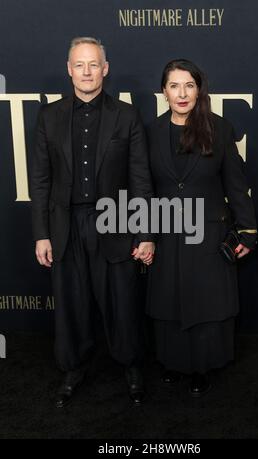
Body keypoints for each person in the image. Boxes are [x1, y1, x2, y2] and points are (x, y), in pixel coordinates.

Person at [30, 37, 154, 407]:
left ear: (106, 68)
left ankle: (131, 365)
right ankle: (73, 367)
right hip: (65, 224)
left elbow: (140, 180)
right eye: (79, 65)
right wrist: (41, 235)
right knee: (71, 302)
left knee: (122, 301)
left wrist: (145, 233)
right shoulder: (48, 116)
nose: (87, 71)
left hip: (115, 223)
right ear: (69, 70)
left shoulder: (126, 116)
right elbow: (40, 181)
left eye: (94, 64)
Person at [146, 59, 257, 396]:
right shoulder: (148, 132)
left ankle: (203, 367)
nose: (182, 93)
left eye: (189, 85)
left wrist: (248, 231)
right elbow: (142, 186)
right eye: (174, 85)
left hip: (209, 232)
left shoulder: (220, 129)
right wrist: (142, 235)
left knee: (205, 302)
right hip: (165, 232)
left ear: (199, 89)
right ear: (164, 91)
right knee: (169, 300)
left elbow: (236, 185)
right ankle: (173, 362)